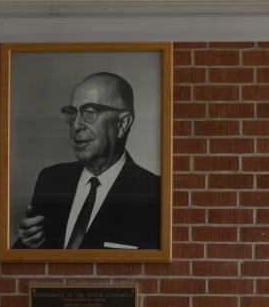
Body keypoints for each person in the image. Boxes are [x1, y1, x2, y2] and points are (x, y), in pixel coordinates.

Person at [15, 72, 161, 250]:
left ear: (123, 124)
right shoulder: (51, 180)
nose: (76, 126)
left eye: (89, 113)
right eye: (72, 114)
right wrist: (27, 242)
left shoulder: (154, 194)